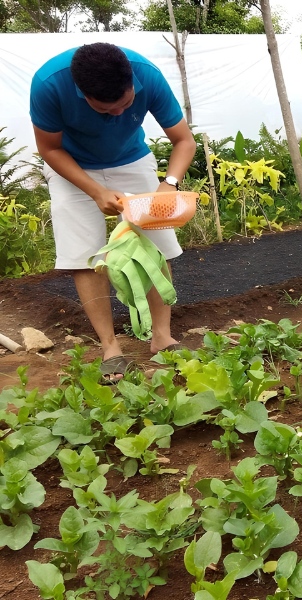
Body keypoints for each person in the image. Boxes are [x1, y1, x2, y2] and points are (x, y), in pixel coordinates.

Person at [30, 42, 196, 381]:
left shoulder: (147, 73)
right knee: (86, 255)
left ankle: (162, 338)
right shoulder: (49, 84)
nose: (118, 115)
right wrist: (95, 191)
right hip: (72, 167)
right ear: (83, 94)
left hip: (131, 160)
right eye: (106, 110)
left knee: (158, 244)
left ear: (132, 82)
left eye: (126, 104)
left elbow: (184, 140)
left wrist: (170, 184)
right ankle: (110, 348)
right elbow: (49, 148)